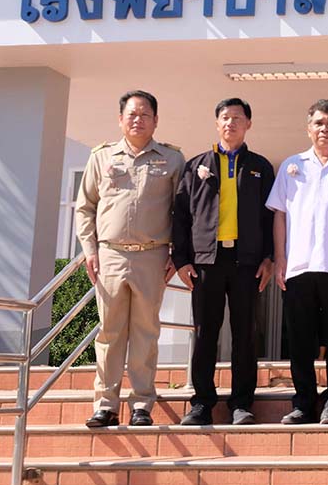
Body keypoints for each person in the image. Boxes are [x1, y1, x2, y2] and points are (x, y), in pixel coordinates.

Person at [75, 90, 184, 428]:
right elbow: (85, 207)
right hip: (109, 255)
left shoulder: (172, 159)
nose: (138, 120)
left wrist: (178, 254)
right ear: (120, 119)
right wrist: (89, 250)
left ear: (156, 120)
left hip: (152, 256)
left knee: (145, 333)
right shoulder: (102, 157)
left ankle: (141, 404)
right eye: (132, 114)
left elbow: (183, 212)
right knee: (109, 332)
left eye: (145, 114)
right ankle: (105, 405)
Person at [172, 97, 275, 426]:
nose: (231, 123)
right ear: (217, 123)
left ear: (248, 124)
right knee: (205, 333)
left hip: (247, 262)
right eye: (225, 118)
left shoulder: (260, 166)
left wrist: (270, 257)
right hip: (206, 261)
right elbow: (181, 216)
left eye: (237, 118)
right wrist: (181, 260)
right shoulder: (196, 165)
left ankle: (242, 403)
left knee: (245, 334)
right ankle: (201, 403)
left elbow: (271, 218)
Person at [267, 99, 328, 424]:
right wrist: (280, 258)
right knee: (300, 340)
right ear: (308, 128)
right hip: (298, 267)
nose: (325, 129)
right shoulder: (292, 165)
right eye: (319, 123)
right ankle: (303, 403)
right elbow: (279, 215)